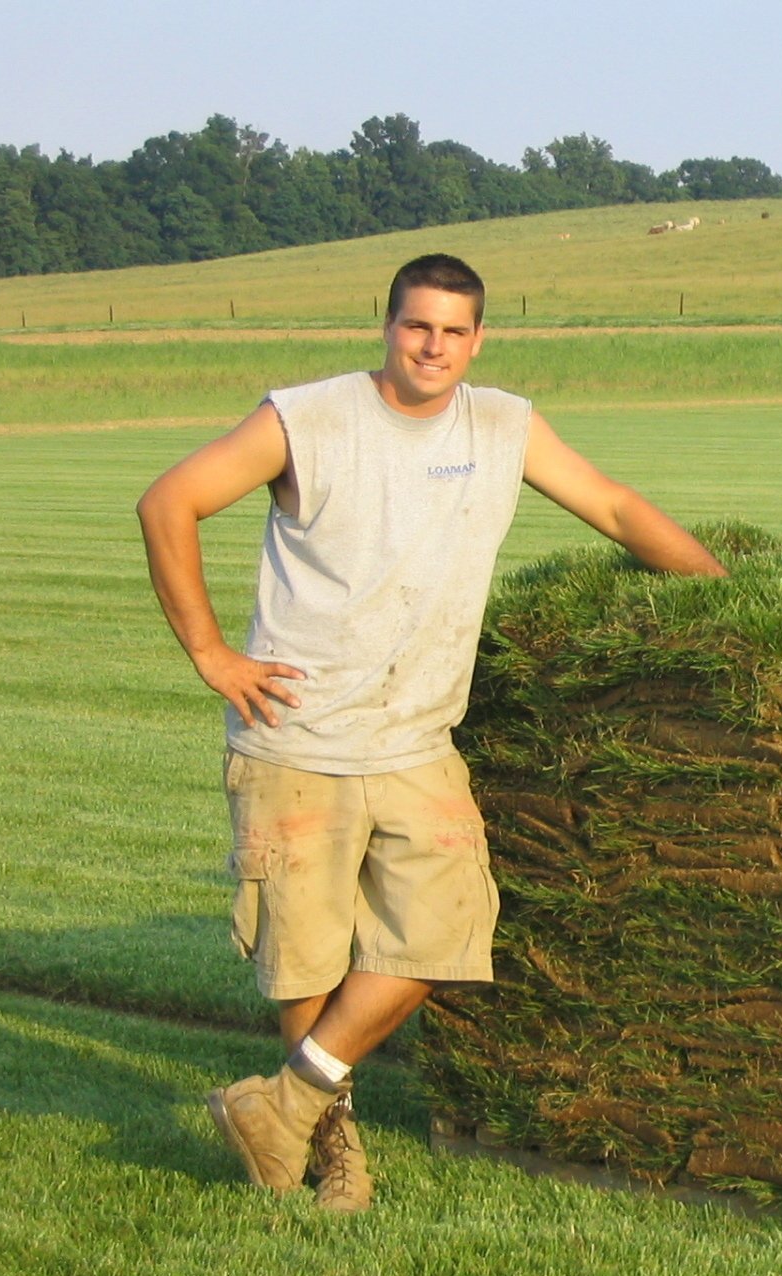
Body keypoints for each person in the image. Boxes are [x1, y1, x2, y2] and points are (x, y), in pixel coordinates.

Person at [138, 253, 726, 1210]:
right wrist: (212, 653)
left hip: (417, 741)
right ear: (388, 325)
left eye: (454, 331)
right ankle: (332, 1153)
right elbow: (170, 500)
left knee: (447, 932)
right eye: (418, 326)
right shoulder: (310, 418)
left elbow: (614, 507)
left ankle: (283, 1104)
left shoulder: (503, 425)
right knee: (307, 960)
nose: (434, 346)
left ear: (478, 339)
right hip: (296, 737)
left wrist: (728, 599)